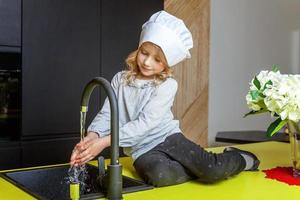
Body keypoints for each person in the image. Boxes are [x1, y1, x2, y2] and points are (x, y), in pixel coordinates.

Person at [70, 10, 260, 187]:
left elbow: (146, 124)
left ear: (166, 64)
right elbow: (107, 114)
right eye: (144, 53)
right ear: (139, 49)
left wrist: (103, 142)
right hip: (141, 149)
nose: (146, 62)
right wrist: (91, 138)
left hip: (168, 138)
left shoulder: (166, 85)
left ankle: (239, 159)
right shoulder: (120, 80)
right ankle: (199, 169)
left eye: (157, 60)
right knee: (160, 177)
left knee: (212, 170)